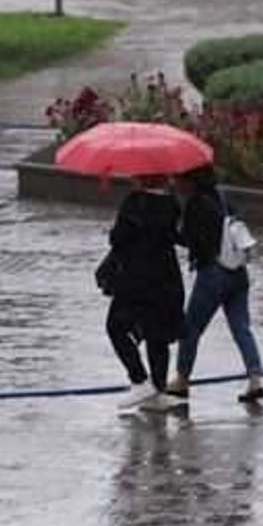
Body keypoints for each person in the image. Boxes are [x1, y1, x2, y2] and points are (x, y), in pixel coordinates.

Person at [167, 169, 263, 404]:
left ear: (189, 180)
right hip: (238, 273)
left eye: (177, 178)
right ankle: (255, 379)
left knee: (190, 329)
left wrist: (170, 230)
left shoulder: (196, 205)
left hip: (213, 275)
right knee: (241, 328)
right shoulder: (222, 198)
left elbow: (189, 240)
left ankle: (181, 380)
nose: (174, 182)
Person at [105, 174, 185, 411]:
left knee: (115, 327)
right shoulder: (171, 203)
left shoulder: (134, 202)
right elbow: (175, 236)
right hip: (167, 277)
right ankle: (158, 390)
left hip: (136, 279)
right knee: (157, 334)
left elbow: (118, 239)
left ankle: (139, 380)